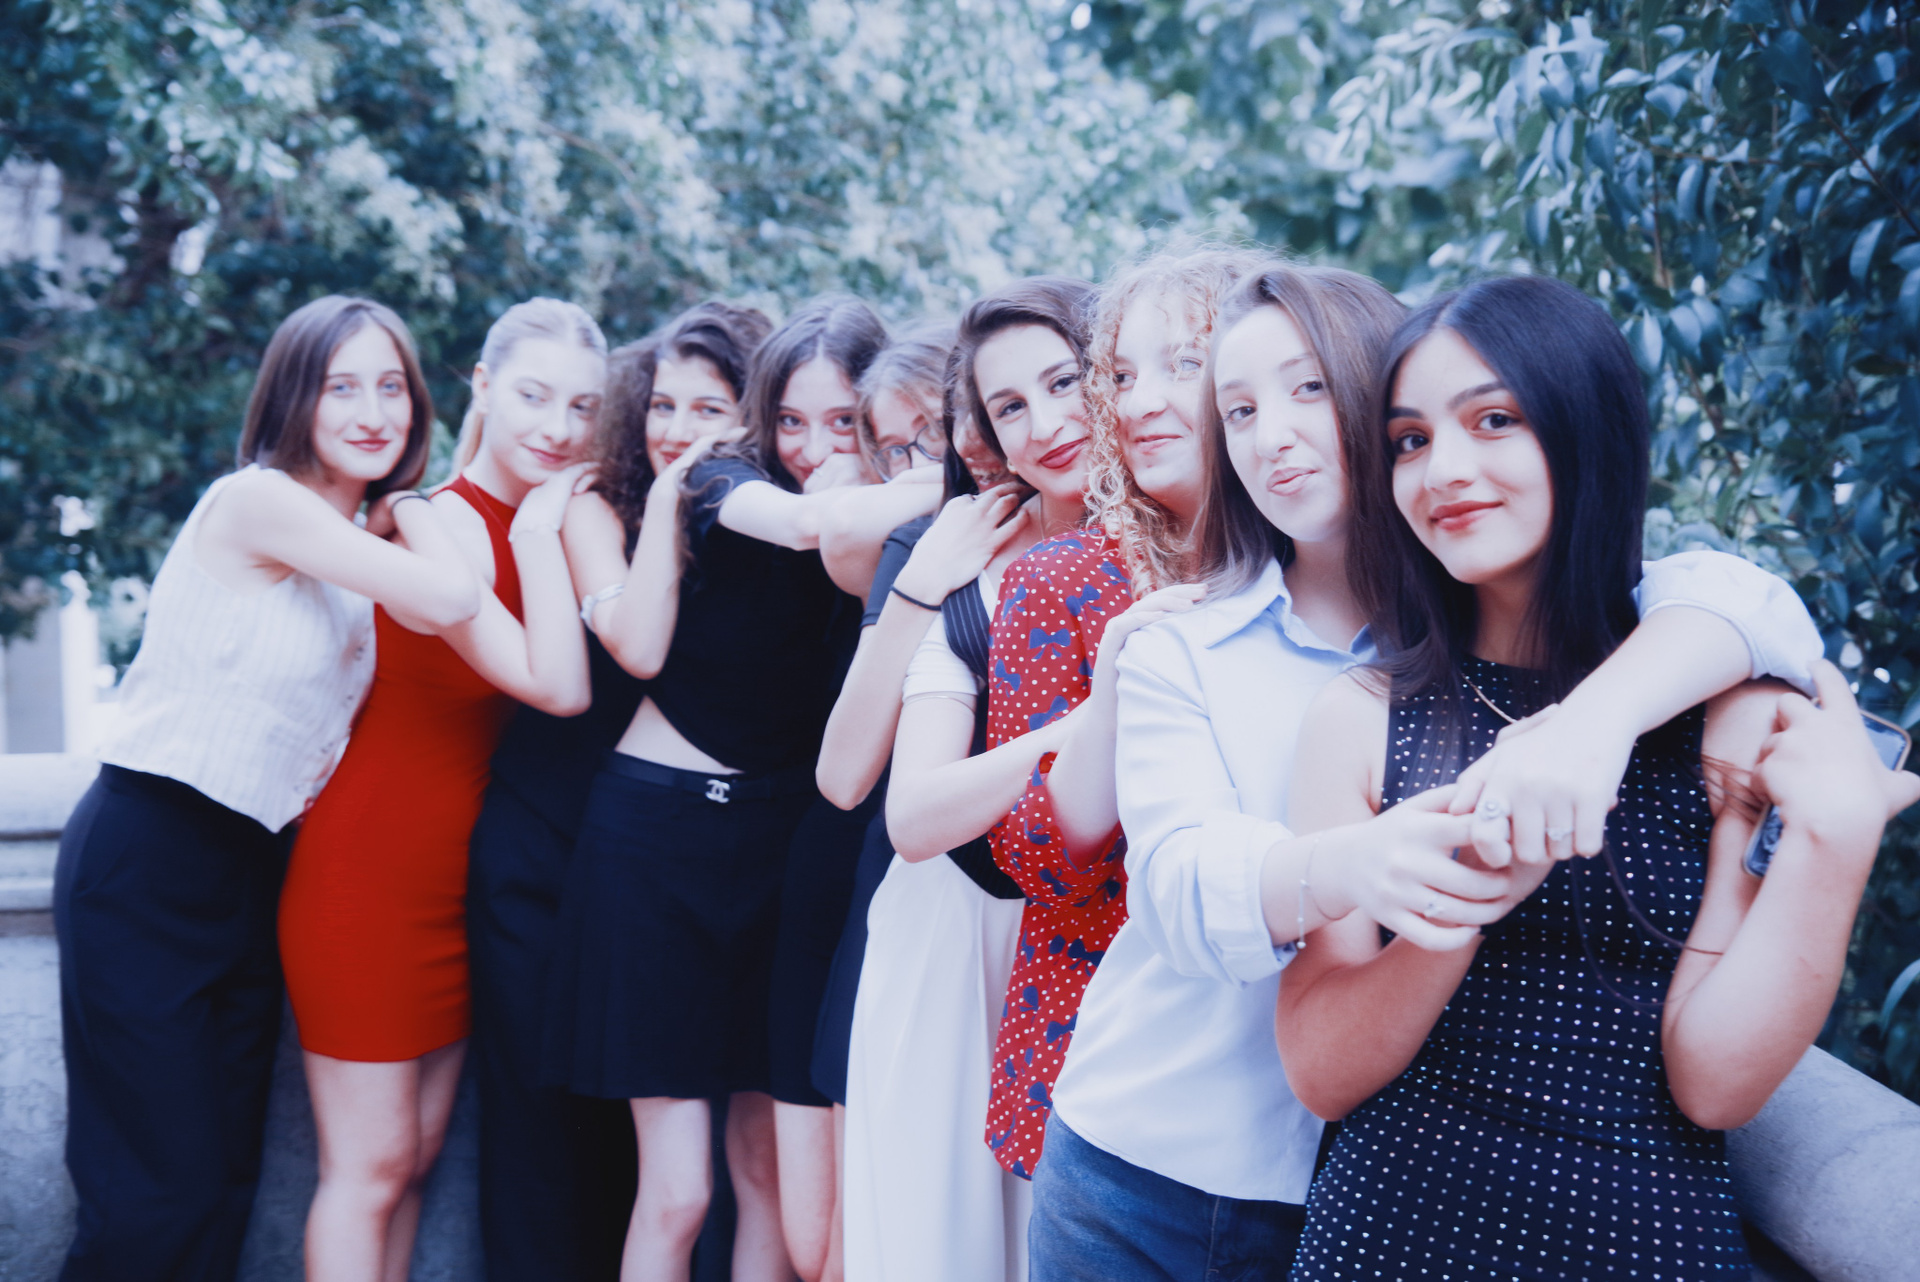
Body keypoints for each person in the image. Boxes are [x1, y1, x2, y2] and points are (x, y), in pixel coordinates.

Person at [1021, 261, 1831, 1278]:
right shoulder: (1187, 645)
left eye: (1310, 389)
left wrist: (1599, 720)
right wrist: (1368, 864)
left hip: (1377, 1187)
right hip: (1158, 1166)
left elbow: (1749, 603)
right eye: (1239, 410)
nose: (1271, 436)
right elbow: (1177, 886)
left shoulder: (1560, 630)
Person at [1278, 275, 1918, 1279]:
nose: (1444, 470)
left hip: (1647, 1238)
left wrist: (1834, 845)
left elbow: (1715, 1084)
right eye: (1409, 439)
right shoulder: (1361, 715)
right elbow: (1321, 1072)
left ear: (1588, 428)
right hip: (1396, 1228)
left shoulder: (1718, 710)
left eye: (1495, 420)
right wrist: (1466, 898)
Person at [52, 295, 478, 1281]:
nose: (374, 411)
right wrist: (418, 506)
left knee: (220, 1183)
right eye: (342, 387)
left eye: (392, 387)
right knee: (152, 1190)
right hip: (149, 857)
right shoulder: (258, 501)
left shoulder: (347, 550)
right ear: (294, 395)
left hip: (251, 872)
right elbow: (453, 596)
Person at [544, 297, 925, 1282]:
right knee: (679, 1191)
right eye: (789, 420)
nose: (811, 445)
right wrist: (971, 485)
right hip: (655, 844)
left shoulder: (883, 520)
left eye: (839, 421)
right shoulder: (722, 479)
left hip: (775, 848)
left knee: (766, 1170)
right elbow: (804, 522)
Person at [280, 298, 604, 1281]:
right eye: (534, 396)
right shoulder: (441, 521)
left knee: (412, 1160)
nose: (558, 428)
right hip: (369, 873)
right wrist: (541, 526)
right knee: (368, 1168)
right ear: (484, 389)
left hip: (455, 884)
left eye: (584, 407)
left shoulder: (546, 519)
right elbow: (559, 687)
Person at [468, 301, 771, 1282]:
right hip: (556, 839)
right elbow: (606, 662)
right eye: (661, 406)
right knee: (548, 1126)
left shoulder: (741, 515)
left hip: (680, 852)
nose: (675, 428)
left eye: (583, 405)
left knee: (672, 1159)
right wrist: (560, 522)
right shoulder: (595, 504)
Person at [828, 342, 1036, 1282]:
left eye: (938, 423)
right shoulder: (931, 545)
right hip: (946, 906)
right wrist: (924, 579)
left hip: (1079, 924)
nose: (955, 445)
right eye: (901, 444)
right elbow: (844, 776)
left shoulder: (1145, 534)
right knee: (928, 1231)